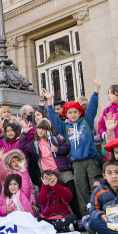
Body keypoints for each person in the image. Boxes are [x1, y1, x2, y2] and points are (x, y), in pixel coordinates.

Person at [45, 79, 101, 215]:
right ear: (66, 115)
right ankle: (86, 216)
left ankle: (100, 212)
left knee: (97, 188)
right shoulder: (65, 128)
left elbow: (93, 107)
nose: (73, 114)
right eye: (70, 113)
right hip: (76, 164)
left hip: (91, 161)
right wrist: (50, 102)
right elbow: (53, 119)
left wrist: (96, 91)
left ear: (80, 112)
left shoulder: (86, 122)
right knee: (80, 190)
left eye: (75, 112)